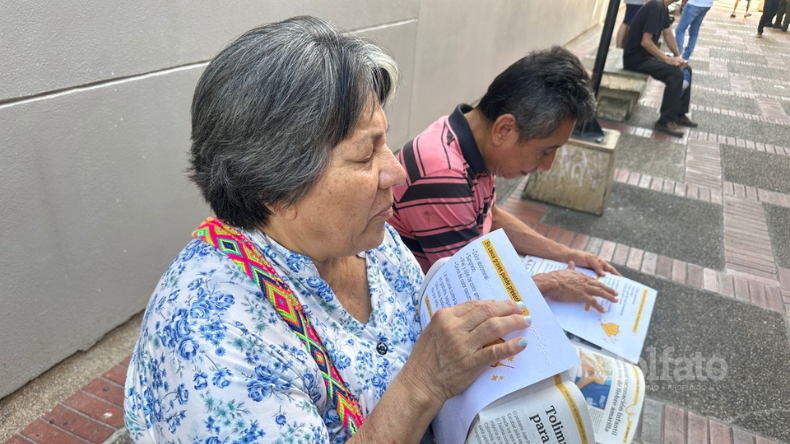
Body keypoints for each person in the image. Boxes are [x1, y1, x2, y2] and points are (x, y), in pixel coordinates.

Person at [123, 16, 531, 444]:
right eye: (364, 154)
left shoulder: (368, 237)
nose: (396, 171)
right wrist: (423, 384)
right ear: (275, 189)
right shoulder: (214, 343)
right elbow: (425, 374)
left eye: (384, 141)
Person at [389, 47, 621, 314]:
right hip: (415, 310)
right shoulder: (443, 175)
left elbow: (493, 217)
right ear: (504, 129)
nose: (547, 165)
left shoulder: (466, 137)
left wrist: (566, 255)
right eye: (545, 151)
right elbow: (472, 293)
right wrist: (553, 281)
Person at [623, 0, 697, 137]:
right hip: (635, 59)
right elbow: (645, 42)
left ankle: (679, 114)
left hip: (645, 57)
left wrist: (678, 57)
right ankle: (665, 121)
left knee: (686, 70)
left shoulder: (662, 7)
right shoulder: (656, 7)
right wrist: (667, 59)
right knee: (675, 74)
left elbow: (668, 34)